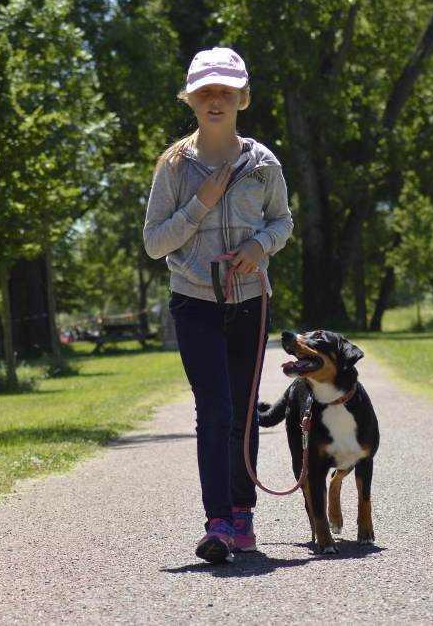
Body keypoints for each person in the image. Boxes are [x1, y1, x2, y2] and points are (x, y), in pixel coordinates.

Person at [143, 47, 294, 564]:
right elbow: (155, 242)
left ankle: (243, 512)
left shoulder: (263, 163)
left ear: (242, 99)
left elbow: (283, 222)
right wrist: (200, 203)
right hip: (194, 303)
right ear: (189, 97)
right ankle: (218, 522)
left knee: (244, 414)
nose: (214, 100)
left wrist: (260, 247)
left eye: (225, 91)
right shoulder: (174, 167)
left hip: (250, 302)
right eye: (205, 90)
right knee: (215, 409)